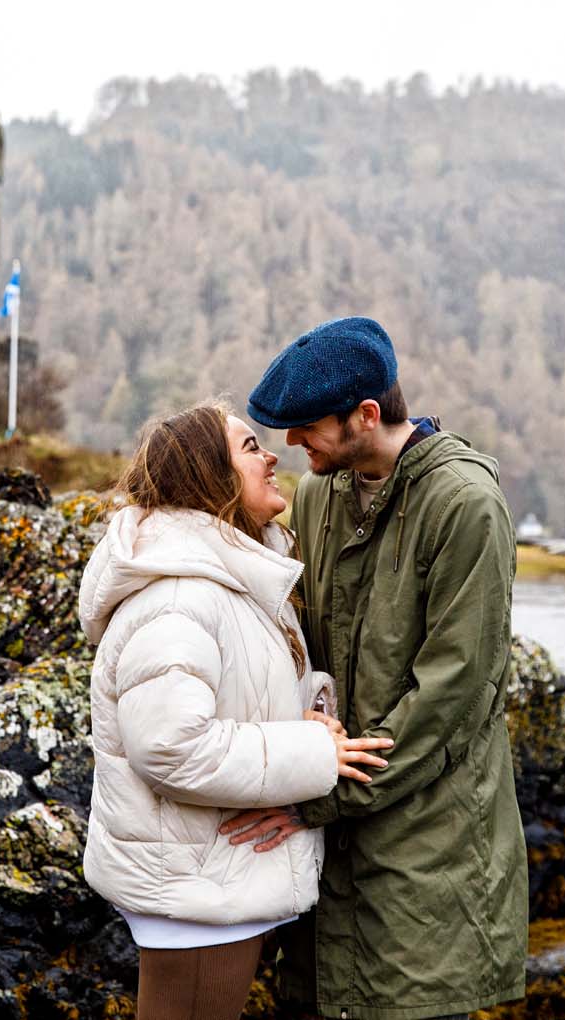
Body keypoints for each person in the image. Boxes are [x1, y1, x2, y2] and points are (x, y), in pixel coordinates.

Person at [224, 316, 529, 1020]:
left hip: (431, 864)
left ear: (366, 414)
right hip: (328, 863)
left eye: (306, 428)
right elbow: (299, 650)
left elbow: (452, 697)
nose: (293, 445)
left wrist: (317, 793)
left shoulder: (466, 504)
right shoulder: (318, 496)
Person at [78, 402, 395, 1020]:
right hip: (196, 894)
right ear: (208, 476)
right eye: (250, 447)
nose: (273, 455)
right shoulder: (179, 597)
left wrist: (313, 717)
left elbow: (242, 694)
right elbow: (171, 745)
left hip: (208, 879)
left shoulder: (221, 580)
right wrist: (313, 754)